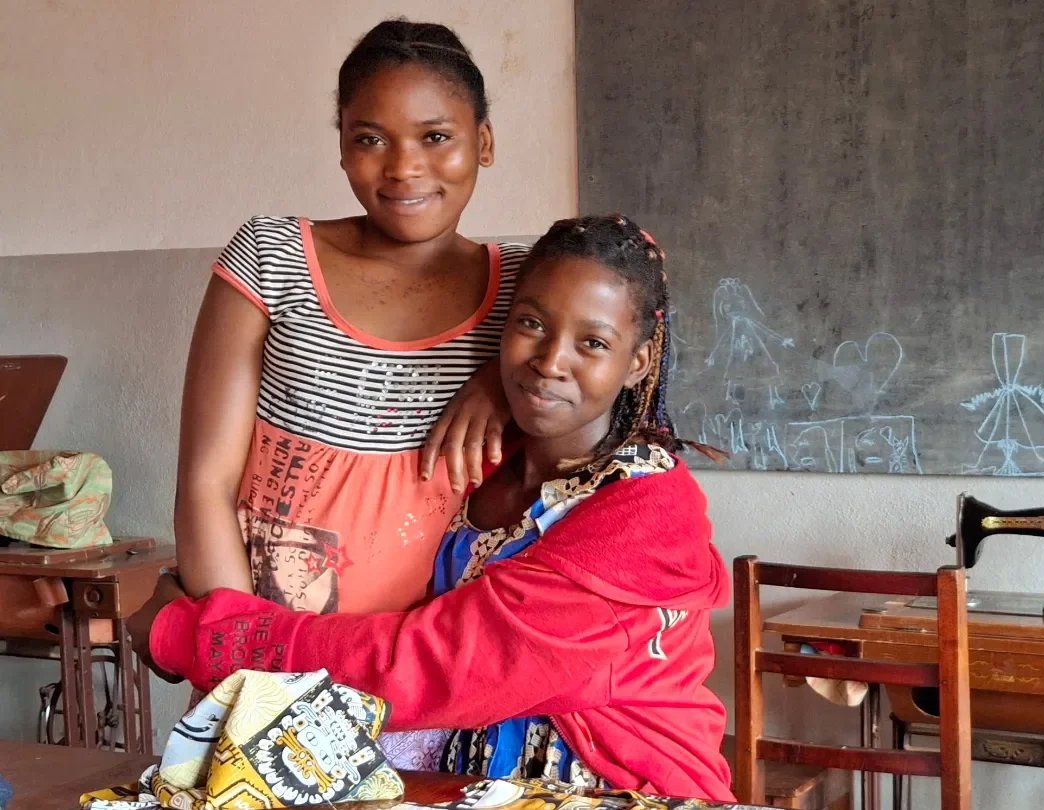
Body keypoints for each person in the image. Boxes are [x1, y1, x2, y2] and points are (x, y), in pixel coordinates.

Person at [131, 216, 736, 803]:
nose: (550, 361)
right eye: (531, 324)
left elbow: (432, 663)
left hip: (620, 788)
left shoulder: (645, 514)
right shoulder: (485, 460)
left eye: (593, 343)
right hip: (465, 785)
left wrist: (192, 632)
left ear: (637, 362)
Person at [174, 18, 518, 620]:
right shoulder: (272, 257)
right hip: (275, 655)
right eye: (371, 139)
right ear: (342, 147)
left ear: (483, 142)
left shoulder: (527, 294)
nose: (404, 167)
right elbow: (206, 486)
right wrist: (246, 659)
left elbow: (638, 274)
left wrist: (499, 373)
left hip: (439, 666)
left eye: (435, 137)